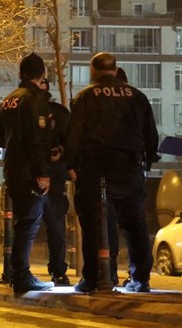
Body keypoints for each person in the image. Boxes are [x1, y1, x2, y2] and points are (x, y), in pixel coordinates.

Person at [65, 52, 159, 293]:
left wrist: (71, 165)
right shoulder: (137, 96)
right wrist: (148, 160)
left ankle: (97, 277)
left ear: (93, 71)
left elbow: (74, 134)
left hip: (96, 169)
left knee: (95, 224)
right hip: (130, 169)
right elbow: (151, 133)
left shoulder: (85, 97)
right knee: (135, 225)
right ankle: (140, 278)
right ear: (116, 70)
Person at [0, 52, 55, 295]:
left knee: (22, 222)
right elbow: (38, 139)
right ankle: (21, 276)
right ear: (41, 73)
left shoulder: (10, 99)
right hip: (29, 171)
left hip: (12, 167)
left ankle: (18, 274)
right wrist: (43, 172)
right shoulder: (34, 99)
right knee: (28, 223)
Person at [40, 77, 72, 286]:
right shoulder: (23, 109)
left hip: (54, 175)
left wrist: (59, 153)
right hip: (33, 173)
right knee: (26, 226)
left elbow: (71, 140)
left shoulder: (59, 114)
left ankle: (58, 269)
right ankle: (17, 270)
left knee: (56, 227)